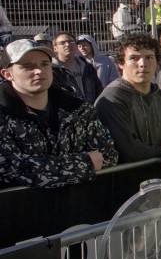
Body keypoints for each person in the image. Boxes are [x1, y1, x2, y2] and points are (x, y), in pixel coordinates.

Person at [0, 39, 118, 188]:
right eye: (27, 66)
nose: (39, 71)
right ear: (7, 74)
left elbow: (108, 155)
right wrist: (85, 162)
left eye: (45, 64)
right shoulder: (4, 114)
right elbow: (10, 170)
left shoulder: (76, 106)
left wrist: (49, 169)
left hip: (80, 205)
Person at [95, 34, 161, 168]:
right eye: (134, 58)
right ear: (121, 63)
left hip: (156, 177)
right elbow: (129, 149)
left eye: (149, 57)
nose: (142, 64)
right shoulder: (111, 100)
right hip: (123, 181)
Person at [51, 31, 103, 105]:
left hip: (91, 111)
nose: (67, 44)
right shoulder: (52, 71)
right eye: (62, 43)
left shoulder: (87, 66)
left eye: (71, 41)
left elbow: (98, 89)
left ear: (76, 46)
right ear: (55, 48)